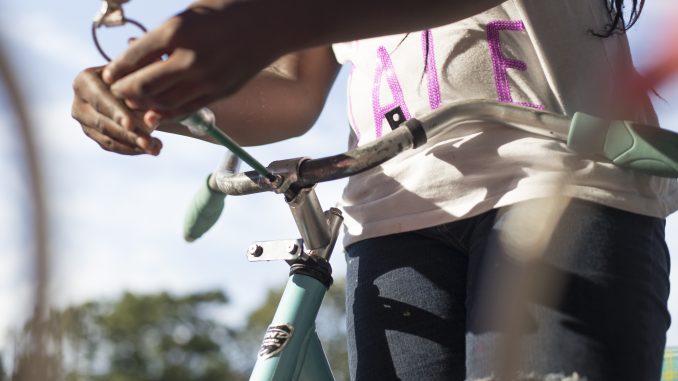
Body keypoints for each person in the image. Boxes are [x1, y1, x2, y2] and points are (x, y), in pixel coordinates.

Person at [72, 0, 678, 379]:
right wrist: (161, 99)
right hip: (391, 213)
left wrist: (265, 20)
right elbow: (292, 85)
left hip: (559, 176)